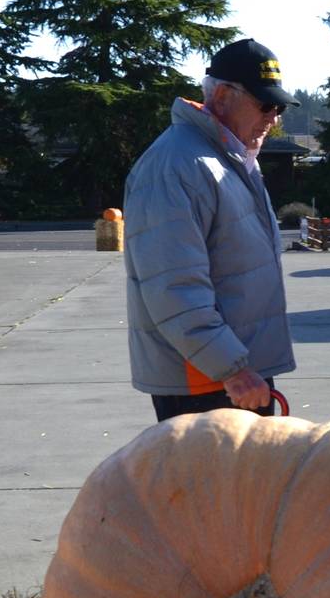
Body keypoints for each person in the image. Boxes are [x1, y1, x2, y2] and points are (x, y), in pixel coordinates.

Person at [122, 38, 297, 421]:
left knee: (251, 482)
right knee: (214, 484)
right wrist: (231, 369)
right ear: (221, 95)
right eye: (265, 105)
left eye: (280, 107)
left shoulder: (227, 158)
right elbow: (174, 285)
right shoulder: (177, 166)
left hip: (235, 374)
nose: (274, 117)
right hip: (207, 380)